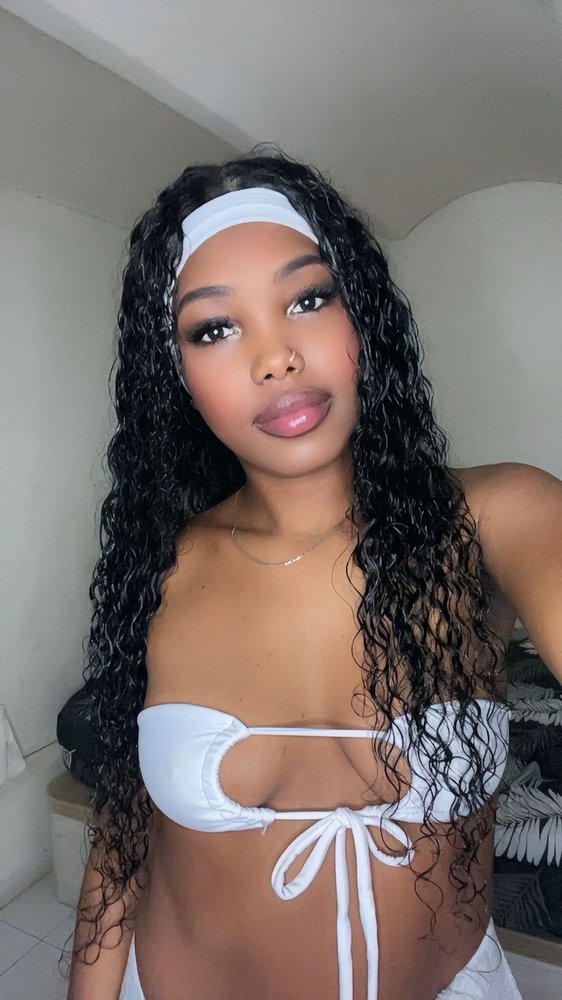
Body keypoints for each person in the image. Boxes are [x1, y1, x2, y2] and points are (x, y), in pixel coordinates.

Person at [66, 147, 562, 999]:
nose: (276, 357)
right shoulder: (162, 564)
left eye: (307, 298)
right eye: (214, 329)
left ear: (360, 313)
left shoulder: (495, 517)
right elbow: (123, 829)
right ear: (176, 375)